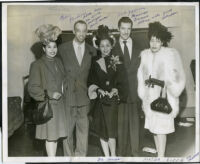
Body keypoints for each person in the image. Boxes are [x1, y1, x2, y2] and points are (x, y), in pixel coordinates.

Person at [137, 22, 186, 157]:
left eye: (157, 41)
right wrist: (144, 92)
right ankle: (160, 154)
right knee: (154, 129)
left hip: (164, 99)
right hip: (149, 99)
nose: (154, 44)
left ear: (163, 41)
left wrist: (167, 84)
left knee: (161, 130)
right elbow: (141, 76)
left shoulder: (170, 55)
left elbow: (176, 77)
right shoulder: (145, 55)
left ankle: (161, 157)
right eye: (152, 40)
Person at [28, 24, 69, 156]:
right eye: (49, 47)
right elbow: (32, 88)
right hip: (48, 107)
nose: (52, 50)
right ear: (44, 48)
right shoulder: (37, 65)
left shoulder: (59, 62)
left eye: (54, 46)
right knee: (51, 138)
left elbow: (63, 80)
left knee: (55, 138)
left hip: (60, 107)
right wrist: (50, 94)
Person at [88, 25, 128, 156]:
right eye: (102, 46)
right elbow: (91, 80)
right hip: (100, 101)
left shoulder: (118, 60)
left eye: (107, 45)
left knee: (111, 131)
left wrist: (116, 89)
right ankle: (106, 157)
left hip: (112, 102)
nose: (105, 48)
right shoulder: (94, 61)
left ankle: (113, 156)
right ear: (98, 47)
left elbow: (122, 79)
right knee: (102, 130)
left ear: (111, 46)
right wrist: (98, 90)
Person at [58, 20, 97, 156]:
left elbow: (95, 75)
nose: (81, 34)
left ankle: (81, 157)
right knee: (67, 131)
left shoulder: (92, 51)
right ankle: (68, 157)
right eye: (78, 30)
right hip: (68, 97)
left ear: (87, 32)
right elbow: (57, 72)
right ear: (74, 31)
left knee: (83, 131)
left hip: (84, 97)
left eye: (84, 31)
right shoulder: (62, 49)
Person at [112, 17, 141, 156]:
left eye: (129, 28)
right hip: (120, 93)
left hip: (135, 92)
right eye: (123, 28)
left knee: (135, 126)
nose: (126, 31)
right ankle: (121, 155)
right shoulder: (112, 47)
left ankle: (135, 155)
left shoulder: (138, 46)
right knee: (121, 126)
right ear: (118, 29)